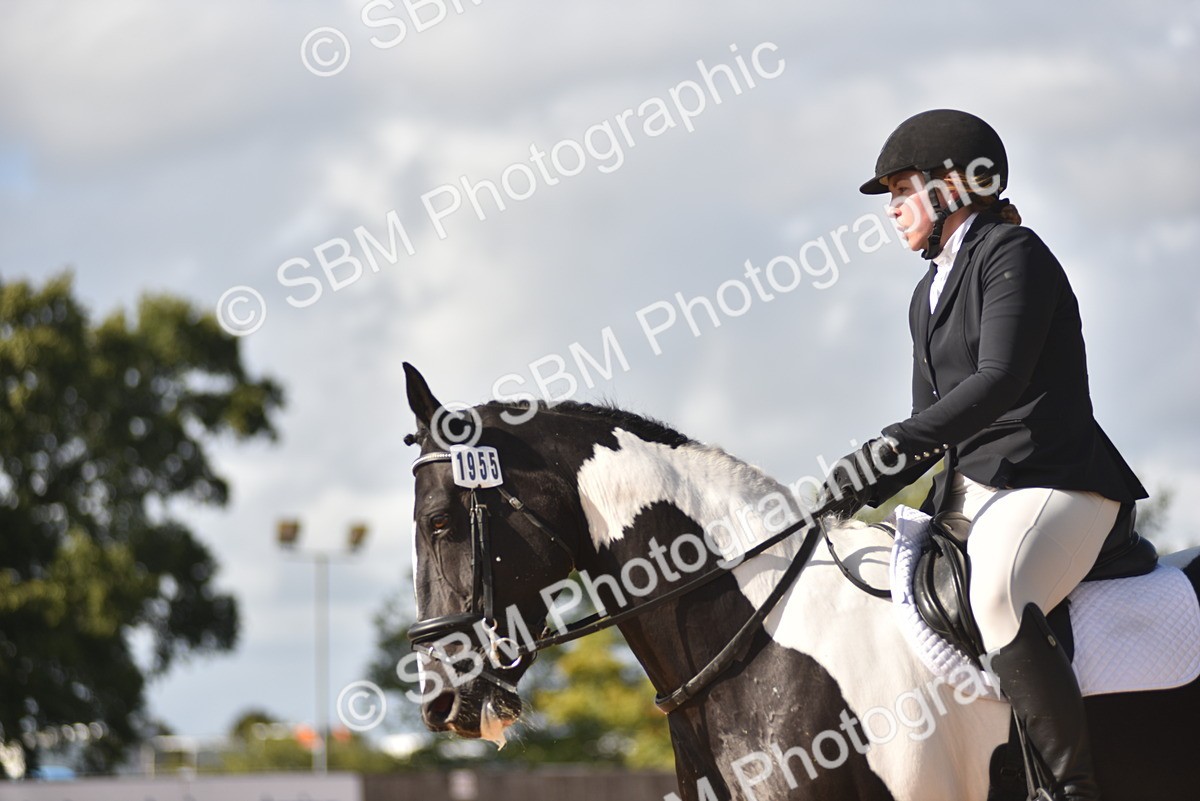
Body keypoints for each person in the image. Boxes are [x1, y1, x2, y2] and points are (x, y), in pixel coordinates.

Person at [819, 109, 1147, 801]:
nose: (894, 212)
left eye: (902, 191)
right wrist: (863, 481)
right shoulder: (926, 291)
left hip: (1053, 481)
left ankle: (1070, 788)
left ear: (950, 189)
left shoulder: (1013, 252)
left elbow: (1000, 381)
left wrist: (885, 449)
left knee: (998, 593)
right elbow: (926, 422)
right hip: (973, 495)